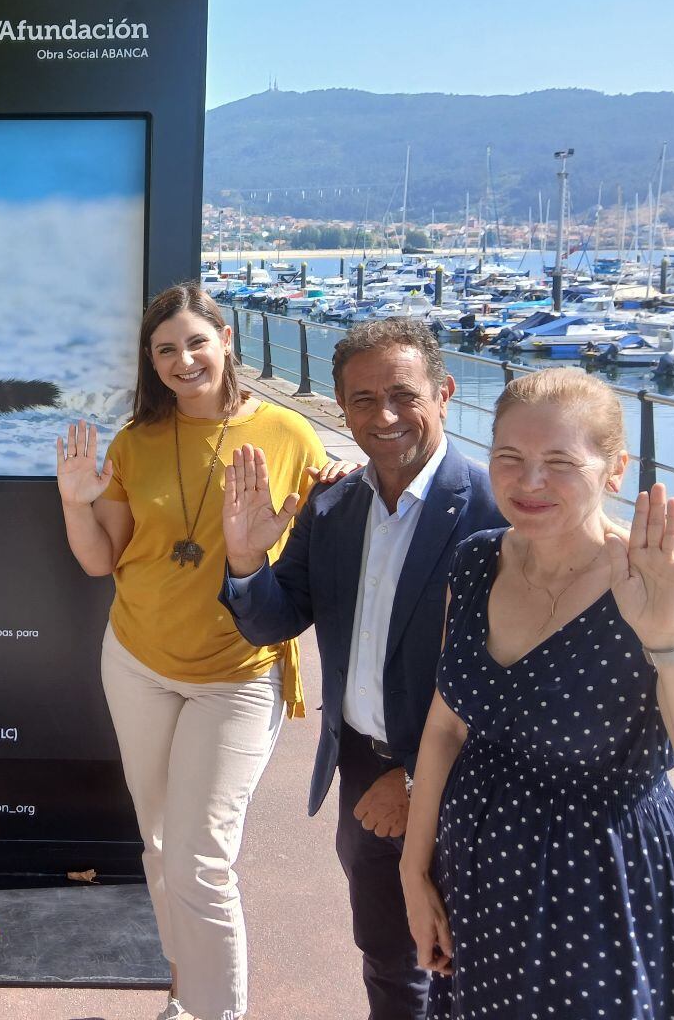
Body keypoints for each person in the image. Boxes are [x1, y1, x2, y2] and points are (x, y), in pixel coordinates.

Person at [400, 368, 674, 1019]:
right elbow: (447, 725)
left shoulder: (672, 594)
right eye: (510, 457)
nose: (529, 482)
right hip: (480, 880)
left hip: (600, 892)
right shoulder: (476, 563)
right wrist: (415, 872)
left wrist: (667, 637)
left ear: (616, 470)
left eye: (559, 462)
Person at [56, 283, 330, 1020]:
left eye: (196, 343)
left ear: (228, 340)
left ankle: (216, 1012)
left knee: (201, 862)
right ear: (152, 361)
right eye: (166, 350)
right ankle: (185, 989)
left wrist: (333, 490)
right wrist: (76, 502)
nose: (184, 361)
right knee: (157, 845)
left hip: (237, 673)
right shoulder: (135, 442)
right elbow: (100, 559)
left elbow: (313, 555)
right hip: (139, 661)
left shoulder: (290, 435)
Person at [217, 317, 503, 1019]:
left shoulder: (496, 514)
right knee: (387, 960)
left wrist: (416, 781)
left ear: (444, 394)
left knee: (470, 966)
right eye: (363, 399)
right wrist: (248, 561)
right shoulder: (335, 504)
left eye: (403, 395)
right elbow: (276, 618)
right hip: (358, 774)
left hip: (464, 786)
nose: (384, 416)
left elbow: (514, 681)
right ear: (341, 408)